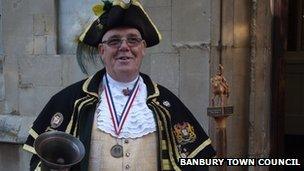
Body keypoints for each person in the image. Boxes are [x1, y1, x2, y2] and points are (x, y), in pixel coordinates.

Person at [23, 0, 216, 170]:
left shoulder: (167, 103)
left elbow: (195, 162)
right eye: (114, 41)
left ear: (143, 48)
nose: (124, 47)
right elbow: (40, 161)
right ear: (102, 50)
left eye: (133, 40)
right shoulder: (69, 100)